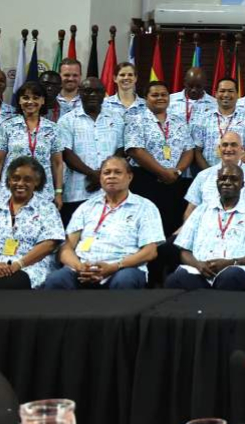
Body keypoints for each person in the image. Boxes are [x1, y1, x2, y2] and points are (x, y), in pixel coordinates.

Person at [43, 156, 163, 290]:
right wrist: (80, 267)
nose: (111, 176)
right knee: (56, 280)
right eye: (106, 173)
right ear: (100, 178)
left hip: (122, 268)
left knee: (125, 280)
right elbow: (66, 247)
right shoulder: (86, 207)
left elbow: (150, 252)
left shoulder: (145, 207)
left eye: (117, 172)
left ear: (130, 177)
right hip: (83, 269)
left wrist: (115, 266)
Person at [0, 156, 64, 290]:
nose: (20, 183)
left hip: (28, 267)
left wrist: (17, 265)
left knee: (13, 282)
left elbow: (50, 243)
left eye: (27, 179)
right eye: (15, 178)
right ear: (9, 181)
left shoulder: (47, 209)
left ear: (37, 182)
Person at [165, 163, 245, 291]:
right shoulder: (200, 211)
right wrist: (198, 265)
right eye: (223, 178)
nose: (227, 182)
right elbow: (184, 250)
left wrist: (231, 263)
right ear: (217, 183)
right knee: (175, 279)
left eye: (233, 179)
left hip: (236, 268)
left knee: (231, 277)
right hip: (200, 269)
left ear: (242, 185)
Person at [124, 80, 197, 237]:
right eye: (154, 95)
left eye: (164, 94)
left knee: (172, 225)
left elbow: (189, 150)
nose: (160, 98)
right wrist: (162, 172)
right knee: (147, 226)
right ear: (145, 98)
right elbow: (135, 150)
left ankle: (167, 259)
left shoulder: (178, 121)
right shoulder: (136, 119)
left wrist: (177, 171)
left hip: (175, 181)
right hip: (146, 181)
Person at [55, 77, 126, 225]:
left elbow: (121, 149)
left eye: (97, 91)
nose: (93, 95)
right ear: (80, 93)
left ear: (104, 94)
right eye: (88, 91)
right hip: (77, 192)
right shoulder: (67, 120)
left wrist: (101, 174)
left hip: (111, 192)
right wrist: (93, 174)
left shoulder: (117, 118)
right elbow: (66, 154)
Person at [0, 81, 65, 208]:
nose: (30, 102)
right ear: (19, 101)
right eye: (25, 98)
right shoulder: (8, 126)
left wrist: (58, 193)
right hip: (10, 191)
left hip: (43, 193)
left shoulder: (53, 128)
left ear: (43, 101)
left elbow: (57, 164)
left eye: (36, 98)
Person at [182, 131, 245, 222]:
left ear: (242, 149)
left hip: (242, 231)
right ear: (219, 149)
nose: (228, 149)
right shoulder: (203, 176)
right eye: (225, 145)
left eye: (233, 145)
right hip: (206, 231)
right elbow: (190, 210)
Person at [194, 78, 245, 168]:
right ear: (216, 94)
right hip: (209, 176)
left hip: (238, 175)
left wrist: (230, 168)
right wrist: (210, 173)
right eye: (222, 91)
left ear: (237, 94)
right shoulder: (204, 118)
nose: (226, 95)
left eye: (230, 91)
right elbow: (197, 151)